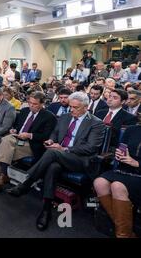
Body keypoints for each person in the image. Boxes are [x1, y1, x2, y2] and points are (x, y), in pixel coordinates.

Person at [6, 92, 105, 231]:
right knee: (53, 167)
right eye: (70, 107)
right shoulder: (65, 117)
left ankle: (26, 184)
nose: (71, 110)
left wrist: (64, 148)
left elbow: (91, 148)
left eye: (75, 107)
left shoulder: (96, 123)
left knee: (52, 152)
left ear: (86, 107)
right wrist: (51, 140)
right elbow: (55, 133)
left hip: (80, 159)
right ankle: (46, 210)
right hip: (58, 156)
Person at [0, 92, 57, 195]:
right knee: (7, 141)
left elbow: (46, 136)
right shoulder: (24, 111)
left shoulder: (49, 117)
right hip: (17, 139)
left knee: (5, 145)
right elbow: (17, 126)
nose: (31, 105)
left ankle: (0, 179)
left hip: (31, 144)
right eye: (29, 102)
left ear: (42, 104)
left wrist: (30, 135)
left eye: (34, 104)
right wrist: (14, 130)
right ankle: (2, 178)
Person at [93, 125, 141, 238]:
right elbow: (120, 149)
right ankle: (127, 231)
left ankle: (122, 234)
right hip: (124, 169)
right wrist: (119, 155)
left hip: (138, 173)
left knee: (117, 186)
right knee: (99, 183)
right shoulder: (131, 129)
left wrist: (137, 163)